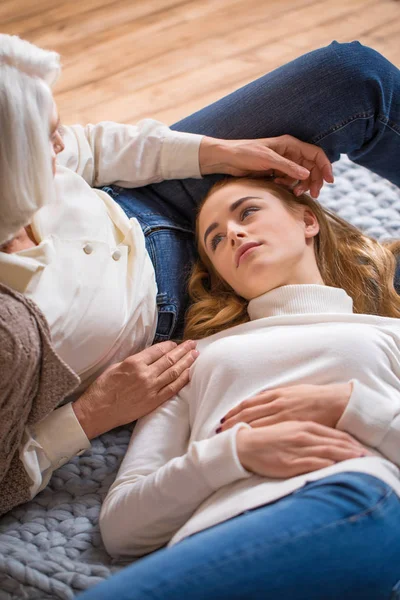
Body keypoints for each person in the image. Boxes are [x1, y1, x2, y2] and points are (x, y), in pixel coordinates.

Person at [0, 35, 399, 514]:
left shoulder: (32, 141)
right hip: (175, 314)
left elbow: (86, 149)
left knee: (350, 75)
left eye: (55, 126)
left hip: (143, 193)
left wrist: (218, 154)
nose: (61, 144)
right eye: (47, 139)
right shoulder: (10, 330)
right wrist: (90, 415)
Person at [78, 177, 400, 600]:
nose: (232, 232)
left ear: (307, 220)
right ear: (222, 276)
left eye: (247, 212)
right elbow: (121, 528)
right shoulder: (193, 358)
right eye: (214, 240)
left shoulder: (389, 334)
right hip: (206, 548)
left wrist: (351, 406)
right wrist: (234, 453)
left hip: (349, 499)